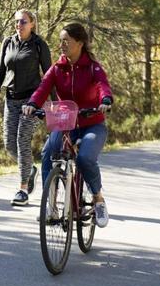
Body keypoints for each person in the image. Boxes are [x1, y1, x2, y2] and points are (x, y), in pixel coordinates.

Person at [22, 22, 113, 227]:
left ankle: (98, 198)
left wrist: (105, 100)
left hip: (92, 124)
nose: (62, 45)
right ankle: (51, 206)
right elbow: (42, 88)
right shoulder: (57, 68)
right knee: (48, 153)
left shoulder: (92, 67)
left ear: (80, 43)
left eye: (67, 41)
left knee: (85, 158)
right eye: (60, 41)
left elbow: (102, 86)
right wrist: (32, 104)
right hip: (65, 122)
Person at [0, 9, 52, 206]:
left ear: (32, 23)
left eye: (23, 21)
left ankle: (23, 189)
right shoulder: (8, 42)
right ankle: (30, 169)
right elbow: (0, 71)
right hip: (11, 99)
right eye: (16, 21)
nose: (19, 25)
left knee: (22, 140)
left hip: (32, 102)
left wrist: (54, 102)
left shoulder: (39, 45)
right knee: (9, 144)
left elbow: (49, 75)